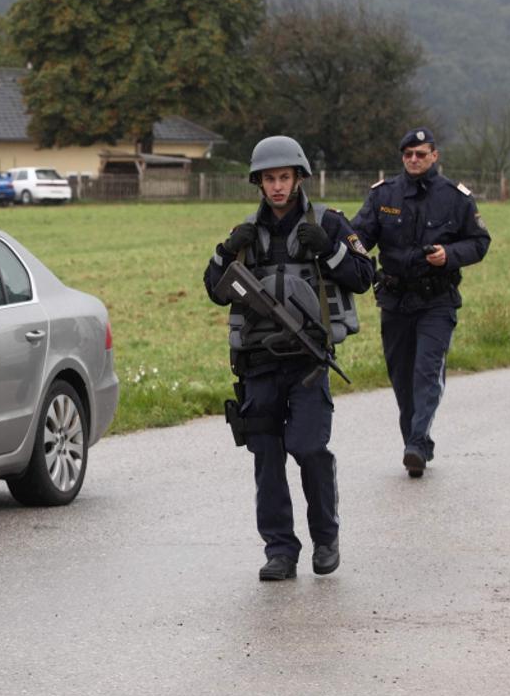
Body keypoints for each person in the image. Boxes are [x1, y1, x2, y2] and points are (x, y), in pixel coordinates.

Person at [204, 136, 374, 581]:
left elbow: (363, 277)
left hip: (307, 362)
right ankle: (280, 549)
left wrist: (329, 249)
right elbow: (214, 290)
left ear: (298, 178)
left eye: (284, 177)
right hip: (258, 363)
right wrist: (226, 251)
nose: (277, 187)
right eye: (269, 179)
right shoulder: (246, 232)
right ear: (258, 183)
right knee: (266, 454)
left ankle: (325, 537)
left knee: (309, 448)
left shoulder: (329, 223)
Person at [350, 127, 491, 478]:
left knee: (426, 373)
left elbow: (480, 241)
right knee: (401, 377)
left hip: (436, 301)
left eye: (421, 154)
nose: (414, 159)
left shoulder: (455, 197)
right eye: (408, 154)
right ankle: (416, 443)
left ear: (434, 156)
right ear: (403, 157)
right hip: (395, 300)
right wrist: (337, 246)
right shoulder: (384, 195)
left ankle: (415, 442)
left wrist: (450, 254)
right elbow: (359, 238)